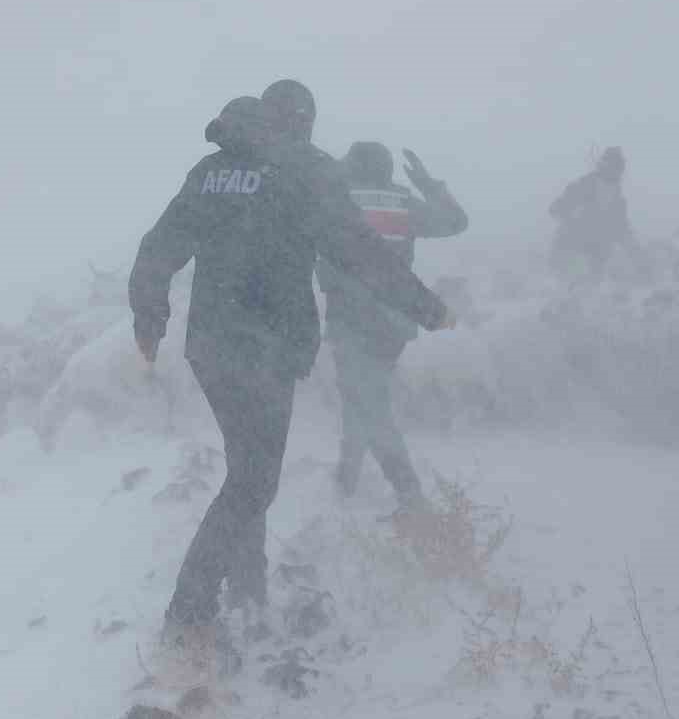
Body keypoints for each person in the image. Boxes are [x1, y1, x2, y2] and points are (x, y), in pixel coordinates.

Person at [129, 81, 454, 641]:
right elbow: (360, 252)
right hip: (269, 348)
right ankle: (188, 617)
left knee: (244, 470)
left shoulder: (213, 170)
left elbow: (160, 245)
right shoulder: (308, 169)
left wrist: (148, 318)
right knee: (255, 480)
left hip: (210, 345)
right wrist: (425, 306)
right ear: (302, 121)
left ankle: (248, 590)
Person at [317, 141, 467, 508]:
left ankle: (410, 495)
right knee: (363, 394)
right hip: (395, 321)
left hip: (350, 319)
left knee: (369, 403)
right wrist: (428, 185)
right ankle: (347, 473)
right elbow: (456, 221)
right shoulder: (402, 203)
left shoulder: (337, 200)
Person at [549, 146, 635, 282]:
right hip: (572, 253)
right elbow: (556, 208)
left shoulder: (617, 198)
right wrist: (570, 222)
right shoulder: (585, 185)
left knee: (592, 288)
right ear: (604, 165)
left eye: (619, 168)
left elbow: (622, 228)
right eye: (614, 167)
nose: (618, 173)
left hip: (596, 256)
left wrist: (636, 254)